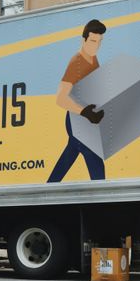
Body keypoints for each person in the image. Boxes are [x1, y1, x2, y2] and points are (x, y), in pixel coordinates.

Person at [47, 19, 107, 183]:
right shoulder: (77, 62)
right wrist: (84, 112)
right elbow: (60, 98)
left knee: (70, 152)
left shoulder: (93, 59)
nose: (96, 46)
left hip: (86, 118)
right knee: (94, 156)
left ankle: (49, 187)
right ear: (84, 40)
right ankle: (103, 196)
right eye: (93, 41)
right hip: (76, 119)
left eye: (99, 42)